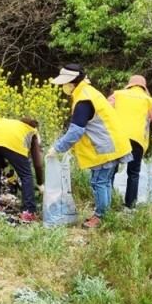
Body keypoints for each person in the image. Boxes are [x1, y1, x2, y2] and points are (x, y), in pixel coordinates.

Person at [48, 64, 133, 228]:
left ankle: (100, 217)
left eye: (64, 83)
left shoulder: (83, 100)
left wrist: (57, 148)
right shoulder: (89, 92)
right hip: (112, 144)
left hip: (104, 147)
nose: (63, 87)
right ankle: (104, 214)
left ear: (72, 82)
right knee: (105, 181)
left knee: (99, 182)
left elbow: (76, 131)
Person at [108, 75, 152, 209]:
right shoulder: (148, 100)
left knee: (111, 170)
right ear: (144, 87)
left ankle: (107, 202)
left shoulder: (118, 94)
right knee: (133, 173)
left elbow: (105, 110)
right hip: (137, 140)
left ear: (129, 85)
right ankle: (130, 205)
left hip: (117, 137)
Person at [0, 117, 45, 221]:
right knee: (26, 176)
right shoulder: (32, 131)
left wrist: (12, 178)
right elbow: (38, 165)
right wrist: (40, 184)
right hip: (11, 143)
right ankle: (28, 212)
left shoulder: (9, 124)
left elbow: (2, 162)